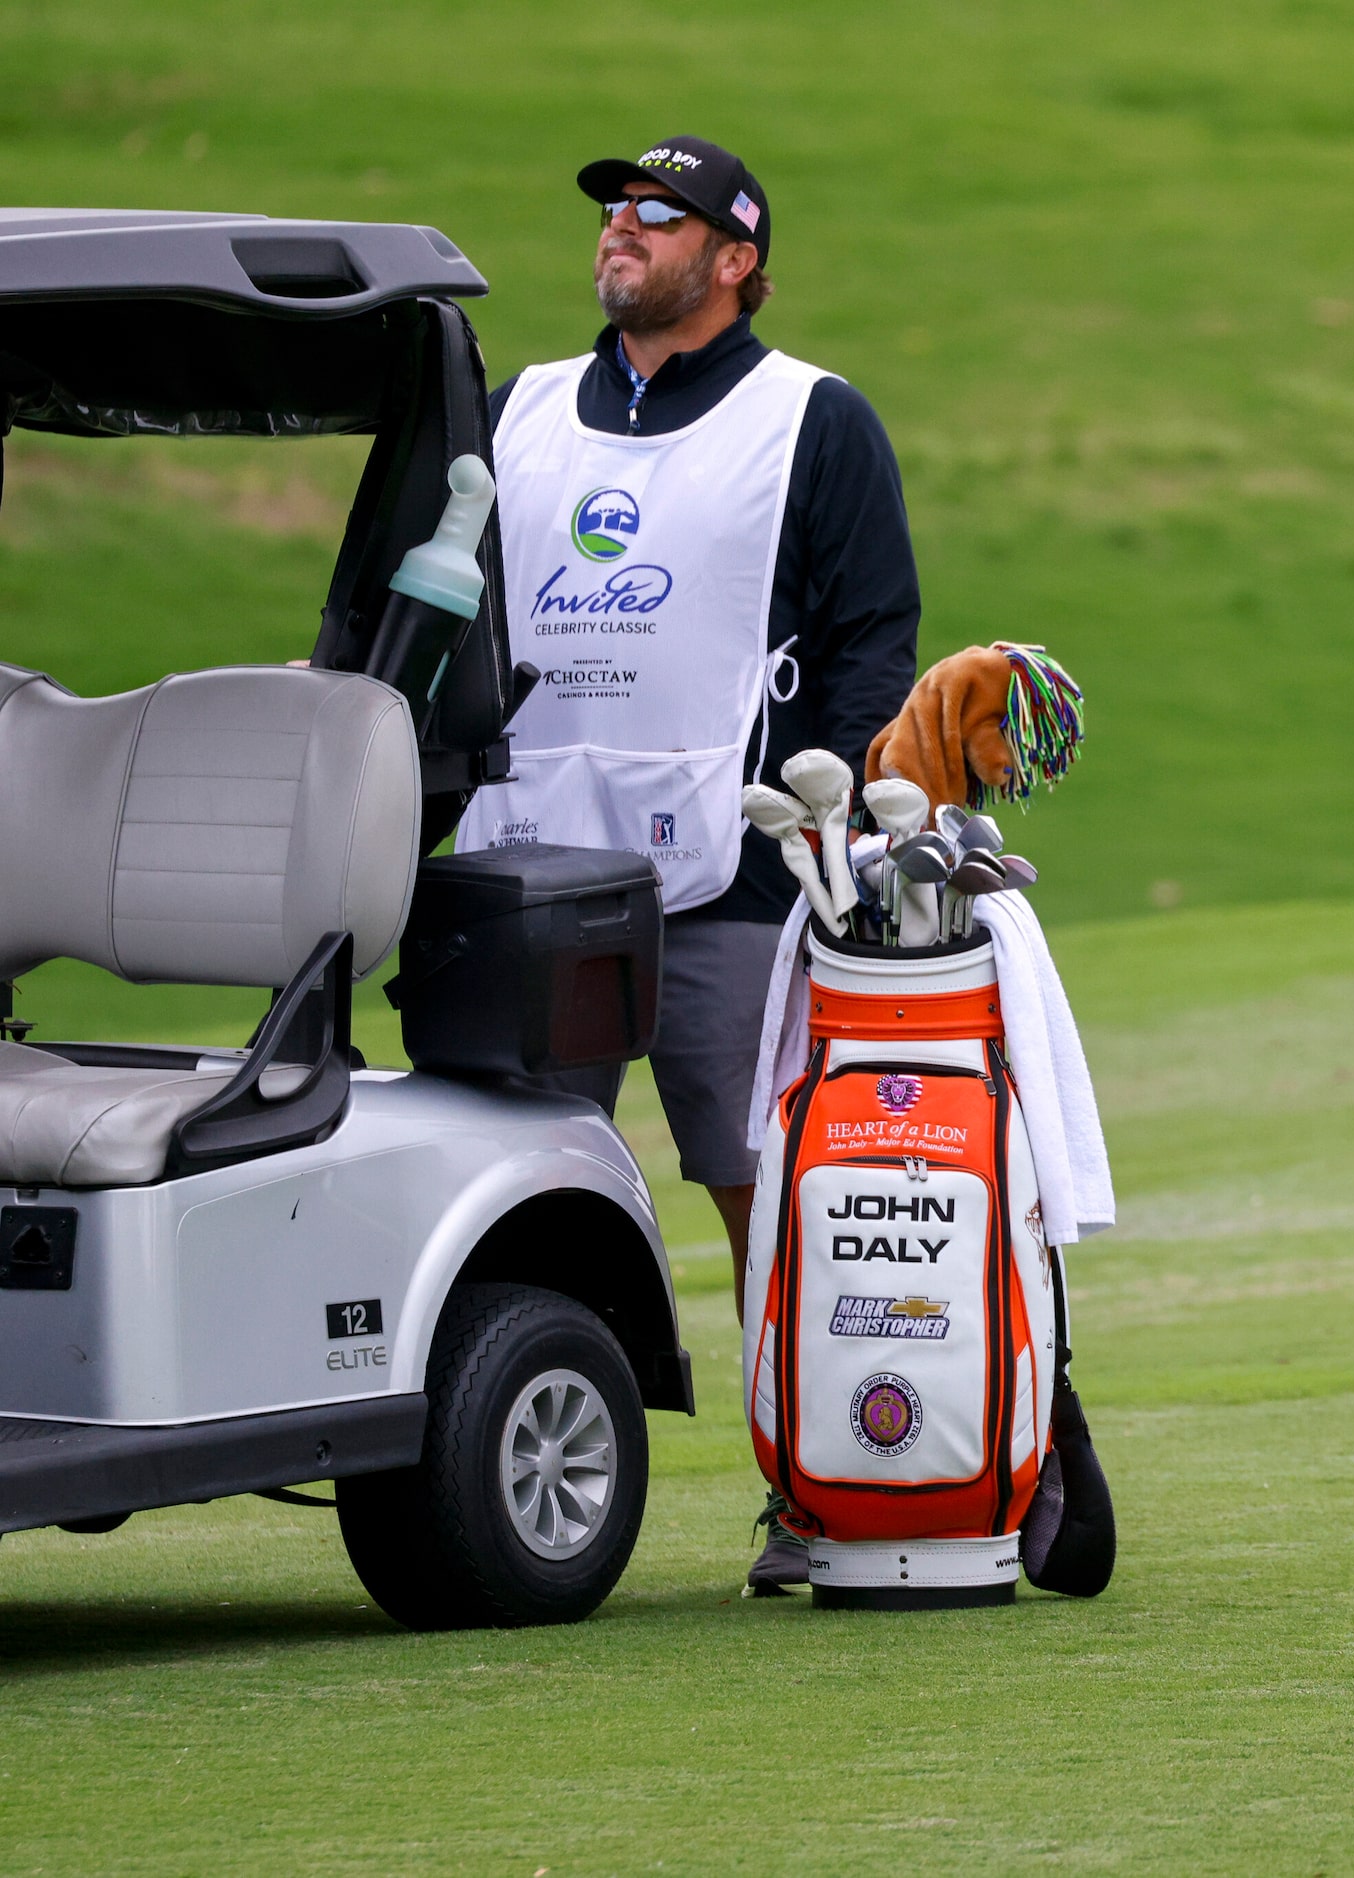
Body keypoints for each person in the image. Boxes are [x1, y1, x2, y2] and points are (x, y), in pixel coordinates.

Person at [459, 135, 920, 1596]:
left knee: (760, 1189)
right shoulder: (523, 408)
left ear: (732, 257)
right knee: (506, 1187)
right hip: (531, 874)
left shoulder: (812, 420)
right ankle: (490, 1483)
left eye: (658, 213)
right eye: (611, 207)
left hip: (732, 876)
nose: (620, 229)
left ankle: (816, 1487)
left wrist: (818, 818)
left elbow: (870, 642)